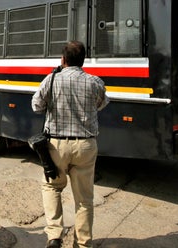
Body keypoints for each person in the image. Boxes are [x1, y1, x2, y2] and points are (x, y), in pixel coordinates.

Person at [31, 41, 110, 248]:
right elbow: (101, 104)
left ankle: (55, 235)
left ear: (63, 59)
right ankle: (83, 244)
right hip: (85, 146)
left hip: (57, 145)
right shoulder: (95, 82)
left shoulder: (52, 79)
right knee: (84, 199)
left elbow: (36, 106)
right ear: (83, 60)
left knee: (51, 186)